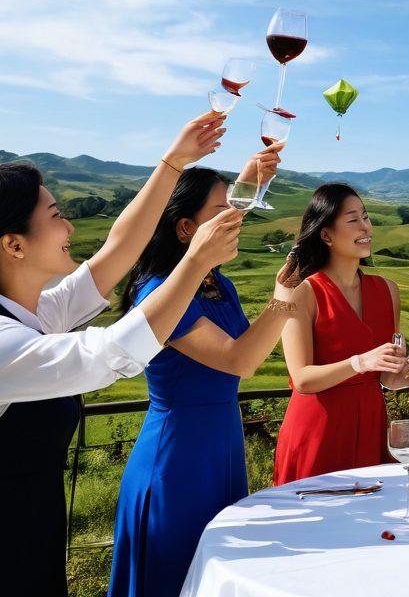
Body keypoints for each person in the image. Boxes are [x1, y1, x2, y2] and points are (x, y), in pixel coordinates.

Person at [0, 112, 243, 596]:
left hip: (28, 539)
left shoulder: (33, 313)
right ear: (14, 245)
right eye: (56, 216)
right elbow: (114, 352)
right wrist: (196, 260)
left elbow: (118, 249)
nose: (70, 227)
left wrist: (173, 162)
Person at [108, 147, 300, 597]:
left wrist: (250, 181)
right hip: (178, 459)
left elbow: (246, 351)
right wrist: (283, 296)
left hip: (221, 445)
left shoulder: (216, 282)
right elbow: (241, 360)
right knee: (174, 576)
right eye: (221, 212)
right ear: (185, 228)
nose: (234, 221)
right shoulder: (158, 294)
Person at [272, 184, 409, 484]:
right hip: (318, 430)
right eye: (353, 219)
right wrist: (360, 362)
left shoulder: (388, 290)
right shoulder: (303, 293)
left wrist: (408, 374)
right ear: (326, 235)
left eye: (366, 217)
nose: (365, 226)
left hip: (371, 426)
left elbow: (386, 378)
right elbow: (302, 378)